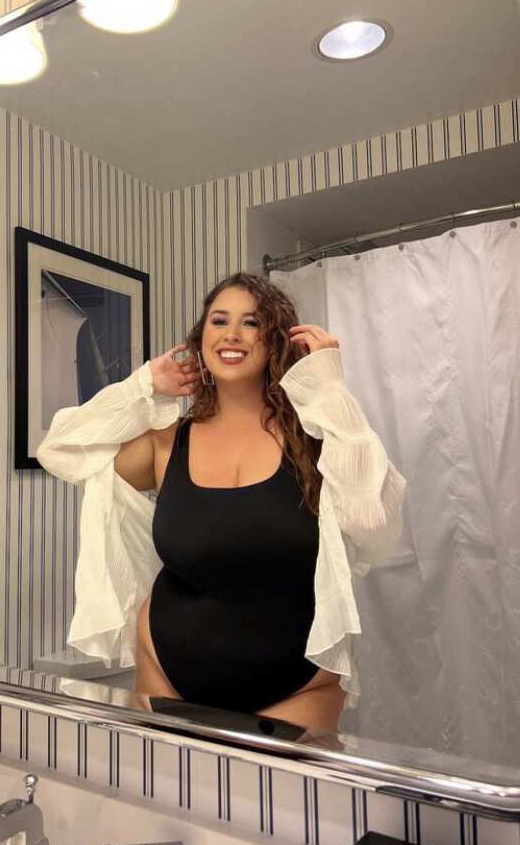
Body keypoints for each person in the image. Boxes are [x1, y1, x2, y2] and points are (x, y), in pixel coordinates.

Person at [37, 272, 405, 731]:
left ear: (275, 340)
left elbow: (373, 522)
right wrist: (143, 386)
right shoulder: (166, 442)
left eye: (251, 322)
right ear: (201, 339)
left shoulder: (315, 441)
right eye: (219, 320)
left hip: (296, 686)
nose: (232, 334)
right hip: (167, 674)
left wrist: (329, 390)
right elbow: (58, 450)